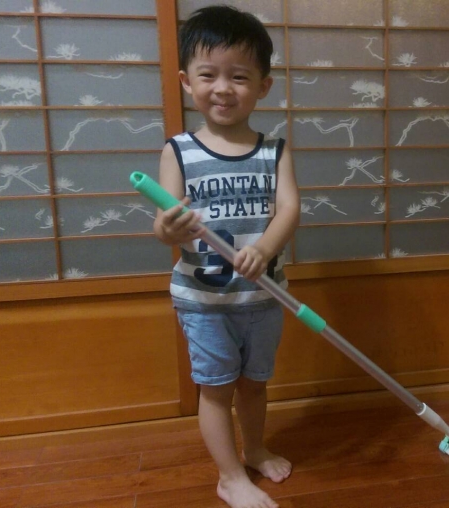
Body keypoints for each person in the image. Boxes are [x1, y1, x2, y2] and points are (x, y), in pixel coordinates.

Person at [152, 6, 299, 508]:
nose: (222, 88)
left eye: (239, 76)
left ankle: (254, 449)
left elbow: (290, 209)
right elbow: (164, 223)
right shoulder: (178, 151)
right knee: (216, 389)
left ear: (263, 85)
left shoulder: (274, 150)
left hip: (264, 297)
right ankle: (229, 476)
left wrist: (264, 248)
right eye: (208, 75)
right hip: (205, 303)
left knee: (254, 385)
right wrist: (168, 226)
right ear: (186, 81)